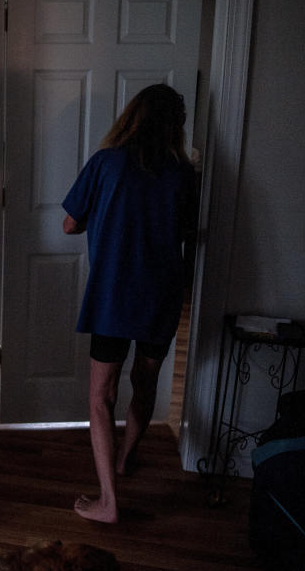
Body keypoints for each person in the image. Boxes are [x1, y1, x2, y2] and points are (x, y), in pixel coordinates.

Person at [61, 84, 197, 524]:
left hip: (114, 293)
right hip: (161, 293)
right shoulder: (185, 173)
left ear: (131, 115)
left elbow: (68, 224)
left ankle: (109, 500)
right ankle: (125, 460)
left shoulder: (105, 162)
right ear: (175, 125)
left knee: (101, 396)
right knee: (145, 381)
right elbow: (191, 234)